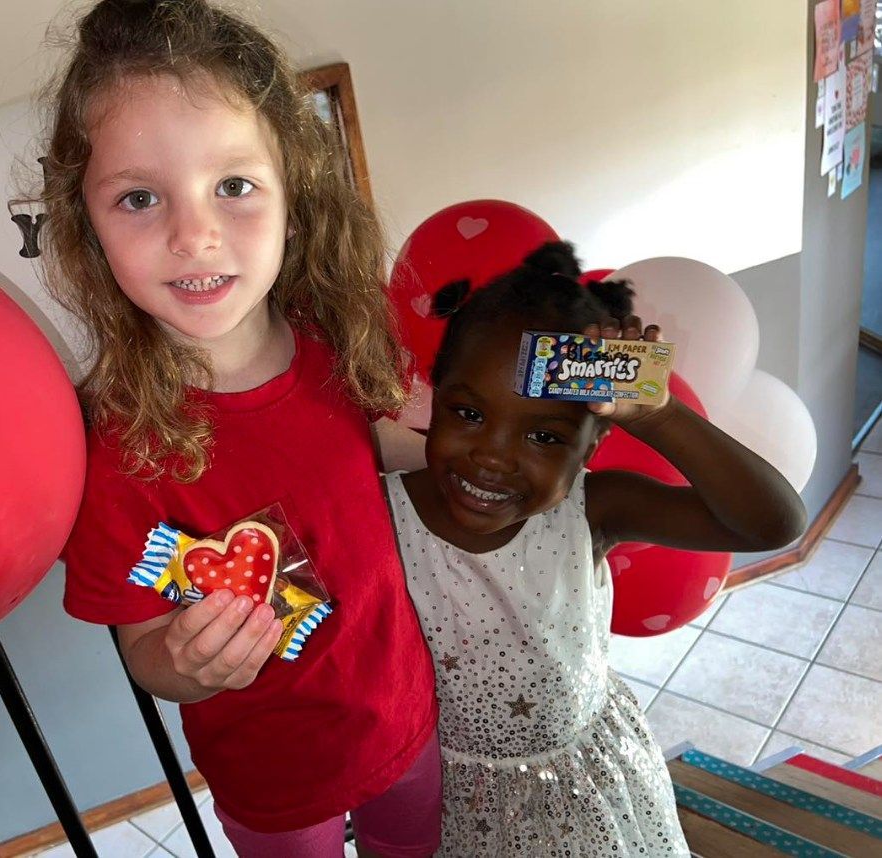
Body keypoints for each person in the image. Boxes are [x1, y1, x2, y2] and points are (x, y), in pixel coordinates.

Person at [40, 1, 440, 854]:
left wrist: (497, 427)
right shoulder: (112, 448)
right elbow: (141, 643)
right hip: (274, 783)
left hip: (408, 723)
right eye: (140, 197)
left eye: (233, 185)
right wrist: (178, 666)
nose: (194, 234)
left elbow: (373, 450)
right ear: (85, 225)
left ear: (294, 193)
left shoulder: (335, 346)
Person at [385, 242, 807, 856]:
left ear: (593, 442)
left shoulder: (596, 508)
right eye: (468, 413)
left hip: (588, 795)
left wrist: (660, 416)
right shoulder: (381, 507)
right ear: (437, 392)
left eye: (543, 434)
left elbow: (773, 523)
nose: (494, 456)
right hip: (447, 799)